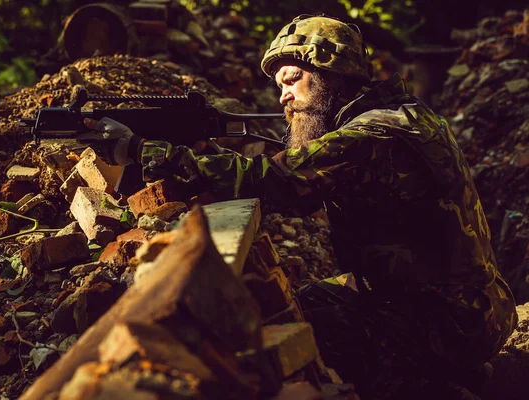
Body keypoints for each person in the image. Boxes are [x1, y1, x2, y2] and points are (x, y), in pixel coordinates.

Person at [78, 15, 518, 399]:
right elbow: (304, 180)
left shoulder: (372, 137)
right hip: (466, 306)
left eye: (292, 79)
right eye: (279, 87)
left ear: (333, 72)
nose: (283, 97)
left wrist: (143, 151)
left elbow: (276, 180)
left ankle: (431, 385)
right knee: (308, 301)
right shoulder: (402, 114)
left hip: (451, 321)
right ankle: (445, 369)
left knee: (310, 334)